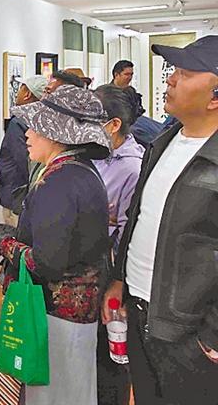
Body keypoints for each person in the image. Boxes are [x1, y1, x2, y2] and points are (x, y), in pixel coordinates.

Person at [0, 85, 112, 404]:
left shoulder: (59, 181)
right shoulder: (78, 172)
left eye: (36, 127)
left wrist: (2, 242)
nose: (27, 134)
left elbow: (47, 263)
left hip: (56, 316)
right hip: (75, 313)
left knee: (52, 393)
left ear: (57, 133)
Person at [102, 35, 218, 405]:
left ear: (215, 97)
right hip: (140, 313)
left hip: (189, 334)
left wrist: (212, 337)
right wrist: (119, 279)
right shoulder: (163, 142)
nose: (171, 79)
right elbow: (138, 218)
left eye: (185, 73)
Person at [93, 85, 145, 405]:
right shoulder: (94, 154)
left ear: (113, 125)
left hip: (110, 274)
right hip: (88, 272)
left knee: (110, 361)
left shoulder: (131, 167)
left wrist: (118, 283)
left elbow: (128, 234)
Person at [0, 74, 48, 224]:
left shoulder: (18, 122)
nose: (17, 93)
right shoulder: (44, 119)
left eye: (20, 89)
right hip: (35, 197)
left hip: (17, 197)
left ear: (27, 94)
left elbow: (23, 160)